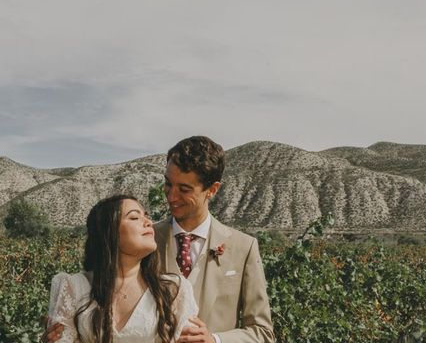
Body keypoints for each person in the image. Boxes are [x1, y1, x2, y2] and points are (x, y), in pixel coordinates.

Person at [45, 136, 275, 343]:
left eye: (184, 189)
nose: (171, 196)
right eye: (168, 183)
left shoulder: (244, 247)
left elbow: (262, 333)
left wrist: (214, 340)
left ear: (212, 190)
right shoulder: (142, 240)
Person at [45, 194, 198, 343]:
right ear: (108, 232)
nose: (148, 222)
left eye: (146, 216)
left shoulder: (174, 290)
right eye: (134, 217)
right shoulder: (73, 286)